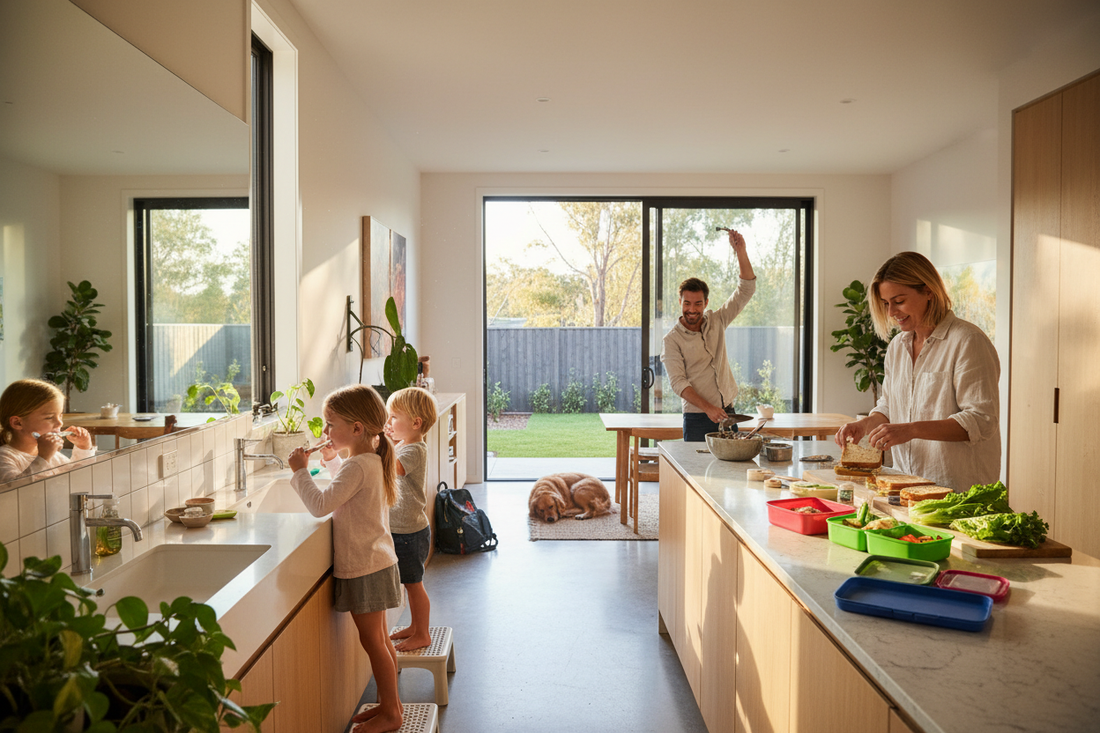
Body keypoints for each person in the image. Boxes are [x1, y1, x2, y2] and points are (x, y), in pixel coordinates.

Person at [288, 384, 403, 733]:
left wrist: (299, 471)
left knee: (374, 644)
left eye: (329, 423)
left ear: (356, 428)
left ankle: (392, 714)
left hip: (365, 568)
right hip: (379, 561)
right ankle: (391, 704)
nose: (324, 432)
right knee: (380, 641)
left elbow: (321, 506)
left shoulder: (359, 466)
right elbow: (349, 488)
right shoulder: (368, 460)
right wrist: (332, 460)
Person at [834, 251, 1000, 492]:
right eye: (885, 304)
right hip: (907, 487)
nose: (891, 312)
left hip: (960, 491)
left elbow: (981, 421)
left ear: (929, 291)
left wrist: (910, 430)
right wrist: (866, 424)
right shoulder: (896, 347)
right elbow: (890, 406)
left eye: (899, 301)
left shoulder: (967, 341)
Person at [661, 228, 757, 442]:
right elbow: (679, 383)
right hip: (696, 418)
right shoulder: (672, 341)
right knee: (696, 474)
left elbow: (746, 290)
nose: (692, 309)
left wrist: (740, 250)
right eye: (687, 303)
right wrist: (709, 409)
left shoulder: (718, 320)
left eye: (697, 303)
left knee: (730, 471)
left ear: (705, 303)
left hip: (728, 413)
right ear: (680, 303)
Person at [383, 387, 437, 652]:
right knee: (410, 583)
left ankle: (423, 634)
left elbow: (394, 468)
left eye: (394, 417)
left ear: (416, 423)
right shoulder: (405, 445)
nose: (389, 422)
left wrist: (382, 444)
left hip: (410, 533)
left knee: (414, 585)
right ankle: (415, 628)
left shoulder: (414, 450)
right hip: (404, 530)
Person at [0, 379, 95, 481]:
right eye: (49, 417)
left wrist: (84, 449)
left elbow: (76, 479)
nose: (60, 423)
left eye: (60, 416)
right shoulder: (4, 457)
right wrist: (43, 458)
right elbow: (11, 489)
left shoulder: (54, 455)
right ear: (17, 423)